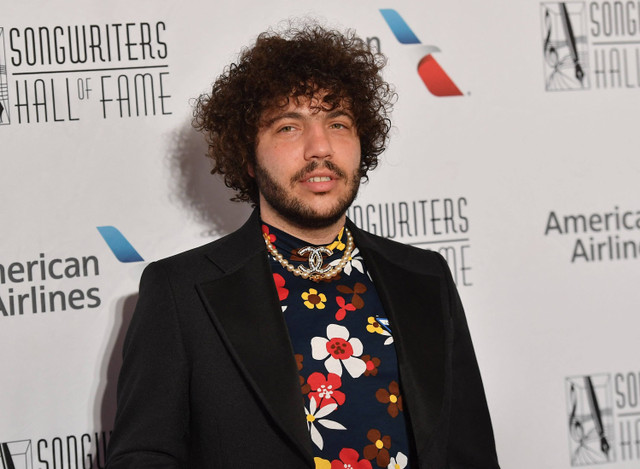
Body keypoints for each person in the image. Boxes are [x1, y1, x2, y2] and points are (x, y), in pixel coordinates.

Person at [106, 22, 500, 469]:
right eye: (289, 127)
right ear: (248, 157)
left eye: (338, 123)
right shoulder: (181, 291)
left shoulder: (424, 277)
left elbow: (471, 452)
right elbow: (144, 456)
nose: (320, 147)